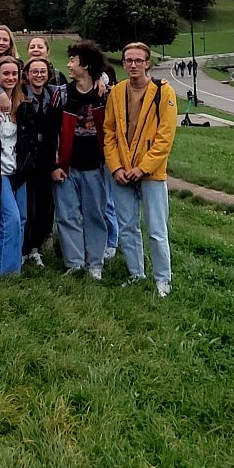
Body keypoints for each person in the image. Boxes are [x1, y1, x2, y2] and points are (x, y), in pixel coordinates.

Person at [105, 42, 179, 297]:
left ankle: (163, 279)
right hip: (122, 172)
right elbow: (109, 132)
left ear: (147, 63)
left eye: (138, 60)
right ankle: (136, 273)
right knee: (127, 227)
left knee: (156, 229)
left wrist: (144, 168)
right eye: (129, 60)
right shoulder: (117, 92)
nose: (133, 65)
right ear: (124, 63)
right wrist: (115, 167)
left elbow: (165, 137)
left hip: (152, 174)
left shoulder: (163, 91)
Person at [55, 41, 111, 279]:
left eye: (73, 60)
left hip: (95, 165)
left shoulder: (104, 94)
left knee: (95, 214)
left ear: (85, 65)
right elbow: (51, 132)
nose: (68, 65)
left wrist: (104, 79)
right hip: (66, 166)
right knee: (67, 215)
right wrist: (54, 164)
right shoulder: (61, 94)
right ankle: (75, 262)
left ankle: (95, 263)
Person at [17, 56, 64, 267]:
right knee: (27, 206)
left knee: (44, 205)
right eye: (34, 71)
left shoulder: (54, 95)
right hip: (25, 156)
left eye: (42, 71)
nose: (39, 75)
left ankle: (35, 248)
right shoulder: (19, 94)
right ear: (27, 74)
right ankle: (23, 247)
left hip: (46, 156)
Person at [0, 56, 27, 276]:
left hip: (18, 169)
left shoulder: (22, 103)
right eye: (5, 73)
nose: (11, 78)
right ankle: (2, 271)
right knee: (10, 218)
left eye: (14, 74)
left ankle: (14, 270)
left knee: (21, 219)